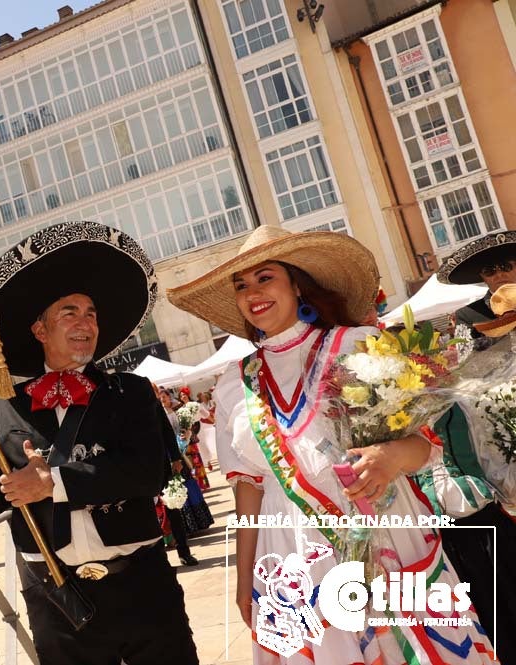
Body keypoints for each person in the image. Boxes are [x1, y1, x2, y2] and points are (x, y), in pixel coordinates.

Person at [168, 225, 495, 663]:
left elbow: (427, 449)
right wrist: (244, 577)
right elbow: (248, 489)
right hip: (290, 549)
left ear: (297, 283)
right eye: (241, 286)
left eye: (265, 278)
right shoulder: (233, 383)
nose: (252, 293)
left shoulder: (357, 346)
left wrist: (389, 457)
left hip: (384, 530)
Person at [0, 221, 199, 665]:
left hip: (143, 586)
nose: (85, 322)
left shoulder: (131, 391)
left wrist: (53, 482)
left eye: (90, 313)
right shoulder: (5, 407)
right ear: (39, 330)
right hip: (55, 597)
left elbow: (148, 472)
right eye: (69, 312)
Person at [418, 234, 516, 661]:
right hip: (501, 482)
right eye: (488, 272)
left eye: (505, 266)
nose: (497, 278)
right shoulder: (466, 328)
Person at [438, 230, 516, 345]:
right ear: (483, 277)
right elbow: (467, 355)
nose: (499, 274)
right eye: (489, 271)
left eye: (505, 266)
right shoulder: (467, 314)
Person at [156, 388, 199, 567]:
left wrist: (175, 458)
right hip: (141, 468)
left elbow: (166, 431)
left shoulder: (152, 406)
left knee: (174, 510)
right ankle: (158, 560)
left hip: (164, 464)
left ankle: (184, 552)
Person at [195, 392, 217, 471]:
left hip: (209, 424)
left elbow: (207, 414)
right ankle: (206, 461)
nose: (203, 398)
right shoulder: (200, 404)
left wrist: (214, 421)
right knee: (202, 444)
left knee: (208, 441)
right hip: (202, 425)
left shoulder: (210, 402)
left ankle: (208, 459)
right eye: (202, 397)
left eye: (204, 397)